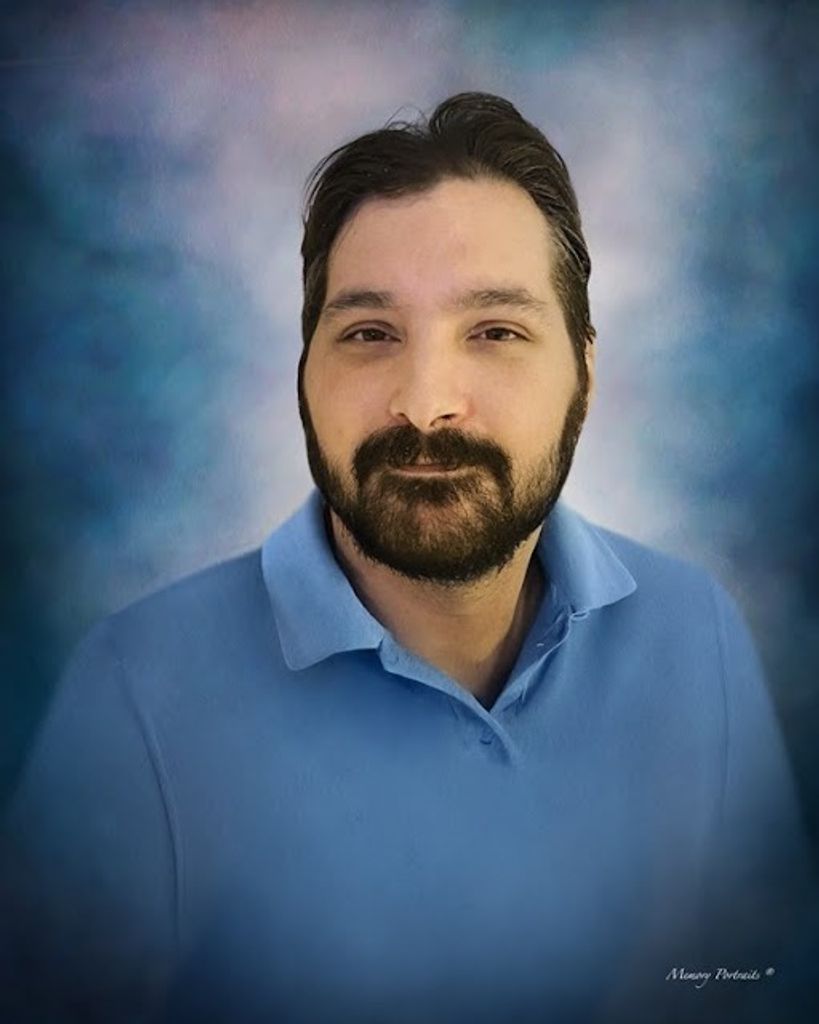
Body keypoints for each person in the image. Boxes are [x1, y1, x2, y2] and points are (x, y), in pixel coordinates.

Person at [2, 92, 813, 1024]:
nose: (425, 403)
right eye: (369, 334)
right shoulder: (136, 686)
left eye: (495, 332)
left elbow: (756, 989)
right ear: (303, 372)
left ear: (584, 376)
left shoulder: (695, 628)